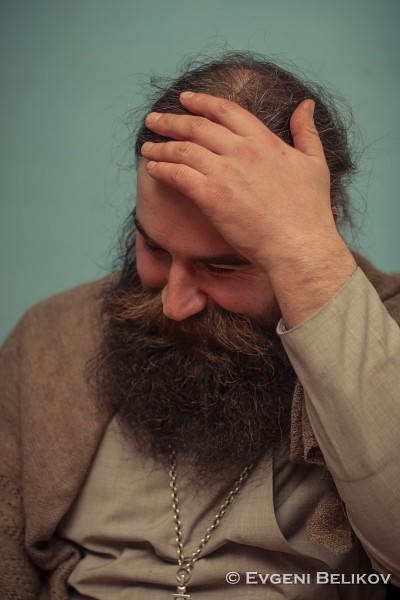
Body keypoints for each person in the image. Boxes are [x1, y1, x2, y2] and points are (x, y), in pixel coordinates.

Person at [1, 52, 399, 600]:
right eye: (154, 249)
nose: (175, 304)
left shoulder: (390, 327)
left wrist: (311, 262)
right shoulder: (49, 339)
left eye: (223, 267)